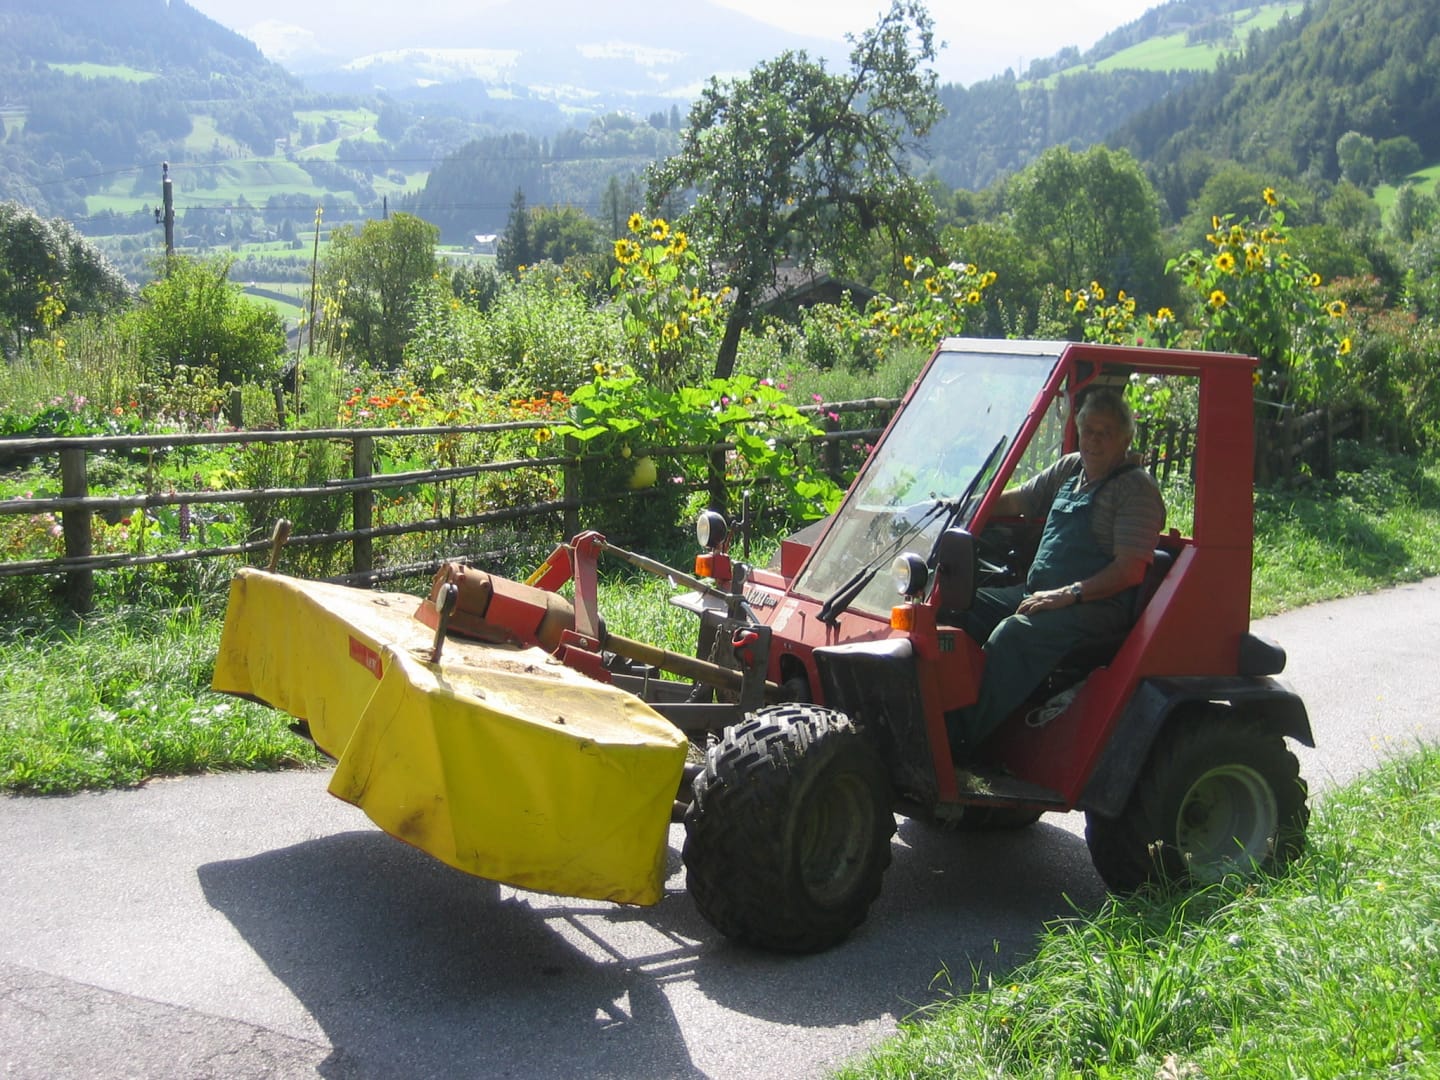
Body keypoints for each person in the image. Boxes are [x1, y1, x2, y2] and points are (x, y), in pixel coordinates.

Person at [947, 387, 1166, 760]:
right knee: (958, 606)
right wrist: (961, 507)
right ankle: (939, 712)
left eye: (1106, 433)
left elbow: (1129, 571)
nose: (1094, 441)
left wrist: (1067, 594)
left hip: (1098, 606)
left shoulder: (1136, 490)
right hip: (1040, 592)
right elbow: (1021, 499)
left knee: (1014, 634)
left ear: (1125, 439)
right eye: (1088, 430)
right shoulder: (1071, 468)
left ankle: (958, 745)